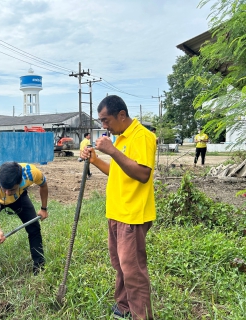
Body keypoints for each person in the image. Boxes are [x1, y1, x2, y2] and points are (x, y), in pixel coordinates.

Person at [81, 95, 156, 320]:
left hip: (132, 214)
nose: (104, 126)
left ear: (121, 115)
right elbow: (118, 171)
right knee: (120, 264)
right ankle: (124, 306)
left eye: (106, 120)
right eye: (101, 121)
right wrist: (95, 159)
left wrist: (112, 150)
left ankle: (140, 316)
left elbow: (142, 174)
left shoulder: (142, 136)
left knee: (133, 270)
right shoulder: (121, 137)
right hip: (117, 212)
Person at [0, 161, 48, 286]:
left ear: (20, 181)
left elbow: (44, 185)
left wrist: (44, 208)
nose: (7, 193)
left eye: (11, 189)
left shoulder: (31, 173)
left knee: (34, 228)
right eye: (5, 188)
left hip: (19, 197)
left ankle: (39, 268)